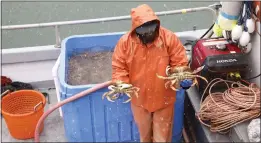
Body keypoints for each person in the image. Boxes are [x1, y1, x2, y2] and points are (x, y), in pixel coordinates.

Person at [111, 4, 191, 142]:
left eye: (151, 29)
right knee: (144, 136)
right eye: (144, 31)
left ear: (157, 25)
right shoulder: (125, 43)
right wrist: (120, 83)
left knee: (163, 138)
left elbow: (180, 61)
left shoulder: (169, 38)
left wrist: (183, 75)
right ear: (136, 30)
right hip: (139, 99)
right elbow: (119, 67)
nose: (148, 33)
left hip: (164, 98)